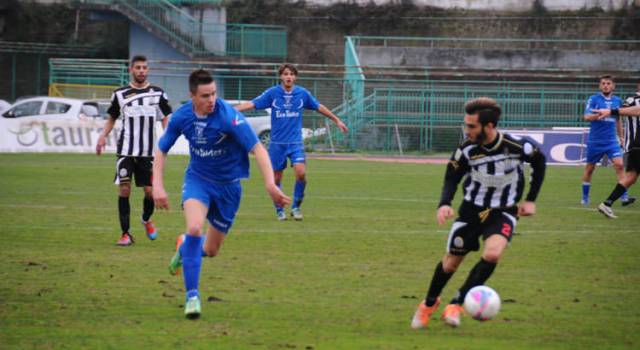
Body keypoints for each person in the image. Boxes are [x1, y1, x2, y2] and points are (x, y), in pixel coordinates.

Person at [153, 69, 291, 319]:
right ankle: (192, 296)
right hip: (198, 181)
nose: (211, 100)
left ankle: (185, 248)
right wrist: (158, 185)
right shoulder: (182, 118)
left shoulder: (229, 116)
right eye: (205, 95)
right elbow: (161, 150)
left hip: (229, 187)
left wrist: (270, 184)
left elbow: (258, 148)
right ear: (192, 95)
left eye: (214, 93)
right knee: (195, 228)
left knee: (212, 250)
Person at [410, 97, 546, 329]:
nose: (467, 130)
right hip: (471, 212)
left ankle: (457, 303)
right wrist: (444, 203)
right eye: (466, 125)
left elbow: (539, 161)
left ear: (489, 126)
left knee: (493, 254)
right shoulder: (466, 150)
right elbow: (451, 177)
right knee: (451, 263)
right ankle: (429, 303)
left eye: (471, 126)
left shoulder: (517, 146)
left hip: (503, 211)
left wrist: (531, 200)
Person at [235, 63, 349, 221]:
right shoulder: (273, 93)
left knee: (301, 173)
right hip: (277, 144)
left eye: (291, 74)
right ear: (281, 76)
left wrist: (337, 120)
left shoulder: (302, 94)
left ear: (295, 77)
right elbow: (253, 104)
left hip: (295, 143)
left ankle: (296, 207)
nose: (289, 77)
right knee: (276, 179)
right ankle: (279, 210)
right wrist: (232, 110)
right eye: (285, 74)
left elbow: (318, 106)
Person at [96, 55, 172, 246]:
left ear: (148, 70)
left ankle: (146, 220)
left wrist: (168, 138)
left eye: (144, 68)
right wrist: (102, 136)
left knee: (149, 192)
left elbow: (165, 118)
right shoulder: (120, 94)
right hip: (126, 151)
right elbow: (112, 118)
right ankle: (125, 234)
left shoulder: (158, 94)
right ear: (131, 70)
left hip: (147, 153)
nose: (141, 71)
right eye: (137, 67)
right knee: (124, 189)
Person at [580, 75, 633, 206]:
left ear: (613, 86)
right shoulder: (593, 99)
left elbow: (618, 119)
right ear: (600, 86)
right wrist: (599, 115)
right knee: (590, 169)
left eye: (608, 83)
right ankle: (585, 197)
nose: (605, 85)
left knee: (620, 166)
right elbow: (586, 117)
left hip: (611, 142)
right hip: (595, 141)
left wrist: (621, 136)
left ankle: (624, 197)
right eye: (603, 83)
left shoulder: (617, 100)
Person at [594, 82, 640, 218]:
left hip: (635, 143)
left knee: (631, 177)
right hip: (636, 142)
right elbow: (631, 111)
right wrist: (611, 111)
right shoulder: (632, 99)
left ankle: (607, 203)